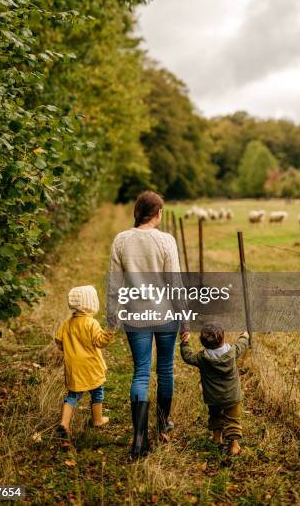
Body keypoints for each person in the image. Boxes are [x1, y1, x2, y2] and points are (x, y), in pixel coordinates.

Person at [107, 190, 187, 458]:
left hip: (135, 316)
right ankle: (163, 426)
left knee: (141, 372)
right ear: (158, 213)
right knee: (165, 370)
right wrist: (184, 318)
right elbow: (175, 283)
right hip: (165, 315)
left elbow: (114, 284)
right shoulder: (166, 241)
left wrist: (112, 317)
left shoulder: (121, 240)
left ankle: (139, 440)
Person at [180, 324, 249, 455]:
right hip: (232, 397)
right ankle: (234, 445)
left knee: (215, 416)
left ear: (203, 343)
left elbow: (187, 356)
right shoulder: (232, 352)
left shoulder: (201, 358)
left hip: (213, 398)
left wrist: (185, 342)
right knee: (233, 419)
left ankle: (217, 438)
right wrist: (245, 335)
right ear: (223, 338)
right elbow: (242, 344)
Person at [55, 285, 114, 437]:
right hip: (91, 366)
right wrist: (109, 331)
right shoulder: (91, 323)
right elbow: (100, 342)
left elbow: (59, 341)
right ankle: (97, 420)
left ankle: (64, 423)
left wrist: (69, 348)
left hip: (74, 367)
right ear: (90, 303)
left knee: (73, 396)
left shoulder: (67, 324)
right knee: (97, 392)